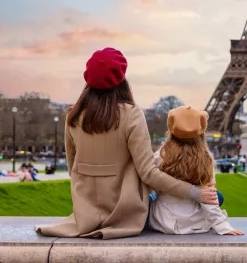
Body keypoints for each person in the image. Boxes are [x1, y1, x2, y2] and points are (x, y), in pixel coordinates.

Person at [35, 47, 218, 239]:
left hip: (85, 211)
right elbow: (148, 173)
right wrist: (195, 193)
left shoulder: (73, 116)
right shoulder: (131, 114)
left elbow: (73, 167)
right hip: (126, 212)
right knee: (212, 199)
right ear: (121, 78)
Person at [148, 106, 244, 236]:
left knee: (152, 197)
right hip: (194, 222)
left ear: (170, 132)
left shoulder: (160, 156)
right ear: (202, 133)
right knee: (216, 195)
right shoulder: (205, 160)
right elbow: (209, 199)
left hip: (163, 221)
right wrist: (223, 226)